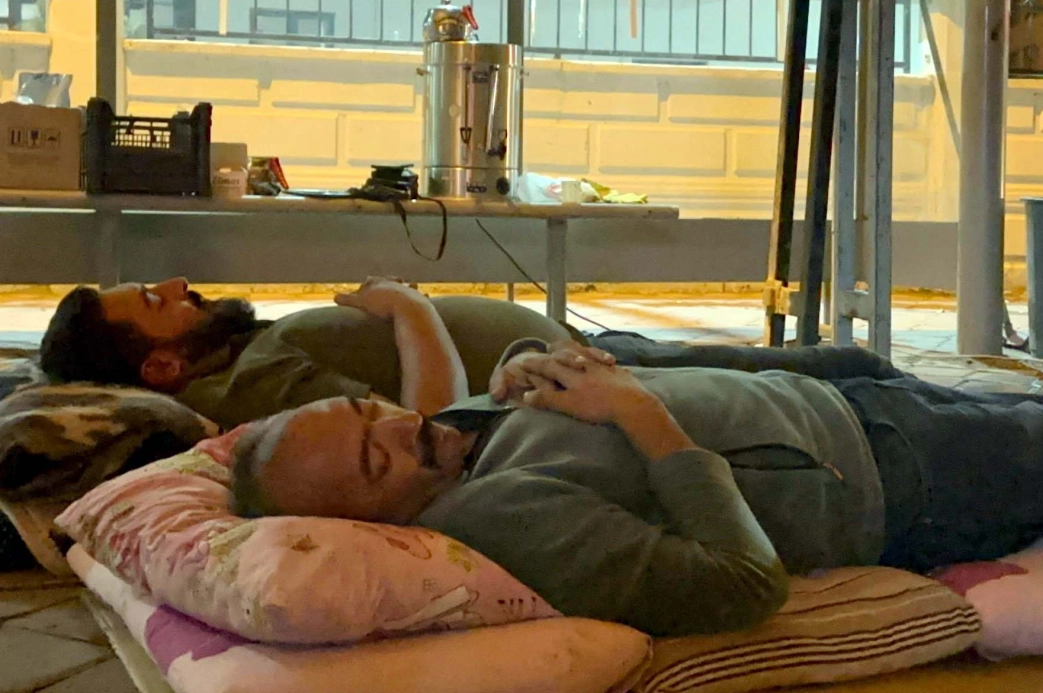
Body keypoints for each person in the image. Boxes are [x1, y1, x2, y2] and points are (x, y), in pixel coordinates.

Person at [230, 303, 1043, 638]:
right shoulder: (505, 520)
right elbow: (735, 586)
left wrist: (553, 364)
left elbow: (466, 397)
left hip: (848, 408)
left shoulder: (465, 430)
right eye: (378, 461)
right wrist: (646, 423)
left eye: (370, 412)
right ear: (378, 523)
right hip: (885, 483)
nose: (405, 431)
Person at [36, 278, 908, 429]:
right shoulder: (247, 386)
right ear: (160, 368)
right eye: (157, 303)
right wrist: (409, 309)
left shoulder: (241, 357)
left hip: (583, 352)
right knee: (840, 372)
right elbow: (426, 418)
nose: (179, 284)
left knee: (833, 364)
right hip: (581, 378)